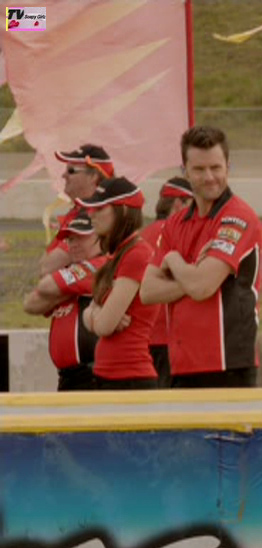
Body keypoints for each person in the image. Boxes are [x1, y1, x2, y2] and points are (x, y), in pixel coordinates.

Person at [139, 126, 262, 388]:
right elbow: (148, 291)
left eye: (216, 168)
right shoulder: (175, 223)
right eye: (199, 169)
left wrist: (174, 260)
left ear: (228, 167)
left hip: (228, 365)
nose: (209, 177)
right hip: (181, 364)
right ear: (184, 171)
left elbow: (202, 287)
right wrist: (194, 274)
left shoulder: (237, 217)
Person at [77, 177, 159, 389]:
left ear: (123, 210)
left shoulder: (137, 254)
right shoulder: (118, 254)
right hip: (111, 374)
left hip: (130, 376)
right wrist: (96, 312)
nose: (90, 214)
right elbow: (92, 315)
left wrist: (94, 313)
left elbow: (104, 325)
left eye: (99, 208)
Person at [22, 213, 109, 390]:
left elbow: (46, 285)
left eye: (80, 237)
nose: (73, 244)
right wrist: (69, 290)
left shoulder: (100, 265)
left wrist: (61, 289)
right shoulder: (70, 272)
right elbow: (31, 304)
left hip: (92, 374)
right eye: (70, 239)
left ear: (98, 237)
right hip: (68, 377)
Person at [139, 177, 193, 388]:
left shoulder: (142, 236)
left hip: (144, 336)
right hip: (170, 336)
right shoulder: (177, 233)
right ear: (179, 204)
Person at [40, 144, 115, 276]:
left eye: (71, 170)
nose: (64, 175)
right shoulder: (80, 210)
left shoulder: (97, 213)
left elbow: (48, 266)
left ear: (93, 177)